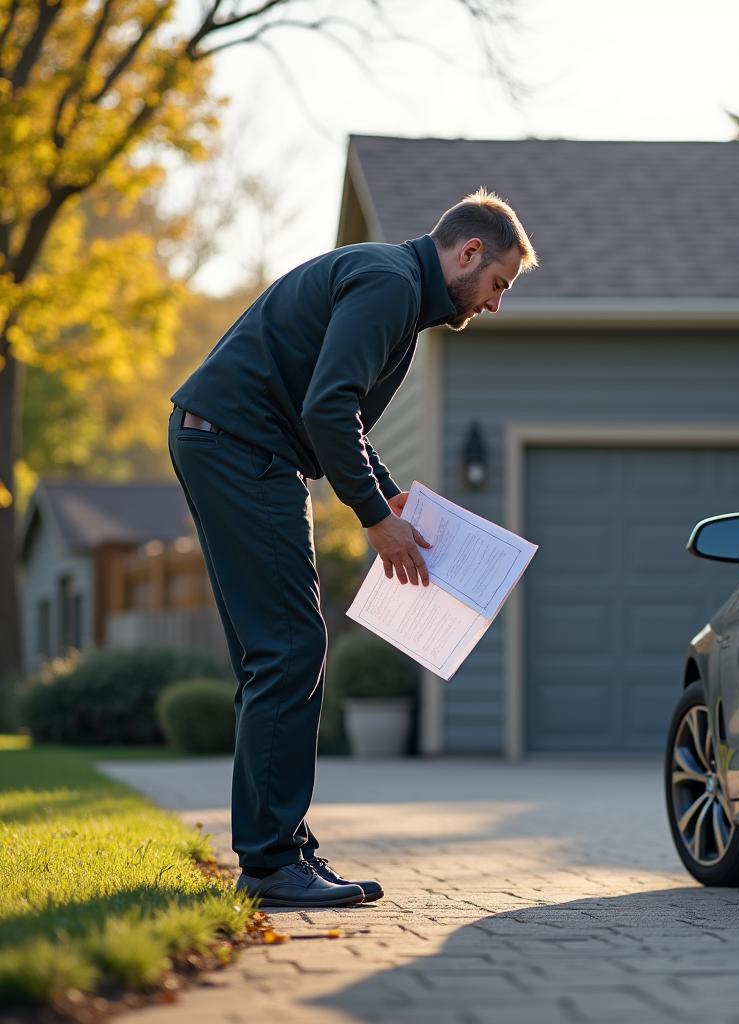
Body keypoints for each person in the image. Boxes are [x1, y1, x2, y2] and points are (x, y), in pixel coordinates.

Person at [166, 188, 537, 908]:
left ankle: (279, 847)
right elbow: (327, 405)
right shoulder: (390, 285)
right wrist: (375, 518)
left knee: (274, 652)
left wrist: (391, 494)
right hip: (242, 448)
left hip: (235, 444)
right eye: (497, 284)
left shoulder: (391, 283)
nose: (494, 303)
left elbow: (337, 413)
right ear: (467, 254)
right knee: (291, 648)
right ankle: (272, 863)